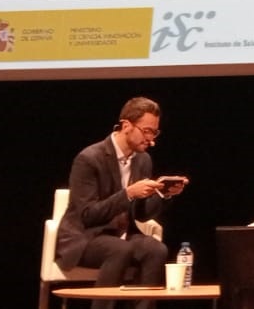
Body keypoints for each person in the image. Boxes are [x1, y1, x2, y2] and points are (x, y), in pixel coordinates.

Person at [56, 96, 188, 309]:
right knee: (120, 250)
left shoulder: (143, 159)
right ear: (126, 126)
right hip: (85, 236)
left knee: (156, 250)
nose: (151, 139)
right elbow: (88, 215)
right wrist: (128, 194)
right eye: (146, 131)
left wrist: (163, 194)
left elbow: (142, 214)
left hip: (122, 235)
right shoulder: (89, 158)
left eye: (155, 133)